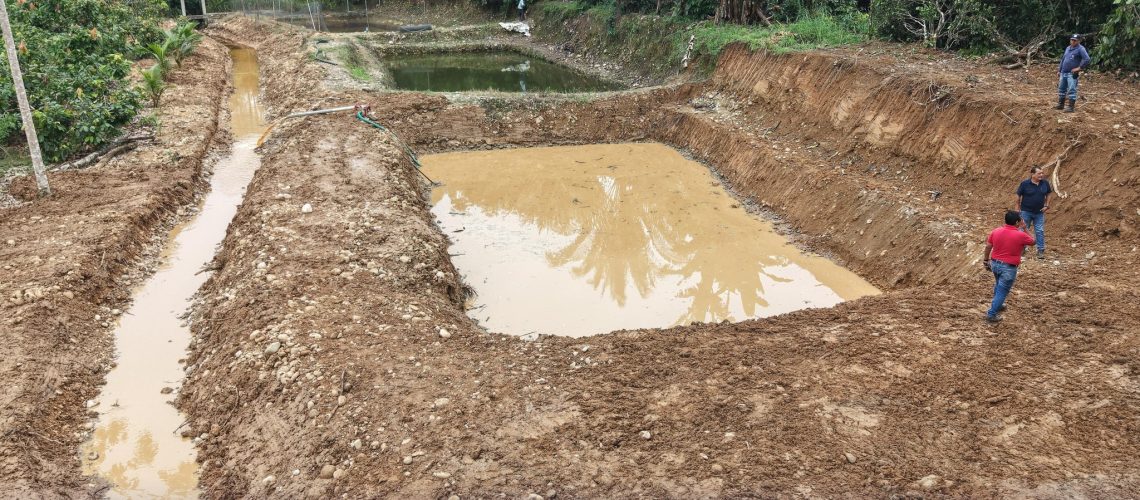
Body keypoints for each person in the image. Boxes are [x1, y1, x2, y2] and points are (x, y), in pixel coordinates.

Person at [982, 211, 1036, 323]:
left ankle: (998, 304)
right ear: (1017, 222)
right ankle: (991, 314)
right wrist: (1025, 228)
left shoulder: (996, 231)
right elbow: (1033, 241)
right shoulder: (1020, 235)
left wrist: (986, 260)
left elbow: (988, 246)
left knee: (998, 284)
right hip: (1008, 268)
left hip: (995, 264)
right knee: (1002, 291)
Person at [1016, 165, 1051, 260]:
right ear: (1032, 174)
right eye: (1039, 173)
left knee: (1039, 231)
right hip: (1025, 211)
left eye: (1042, 173)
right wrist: (1017, 208)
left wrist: (1046, 205)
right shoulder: (1024, 184)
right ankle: (1021, 248)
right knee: (1022, 230)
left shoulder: (1045, 183)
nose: (1041, 175)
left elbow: (1048, 194)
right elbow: (1018, 196)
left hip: (1039, 212)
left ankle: (1040, 250)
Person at [1056, 34, 1090, 113]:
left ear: (1079, 41)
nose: (1073, 41)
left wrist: (1079, 68)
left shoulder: (1081, 49)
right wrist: (1059, 70)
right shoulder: (1068, 48)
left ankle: (1071, 107)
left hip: (1072, 73)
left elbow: (1087, 59)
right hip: (1064, 72)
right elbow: (1063, 59)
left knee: (1072, 89)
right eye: (1072, 40)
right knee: (1061, 88)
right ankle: (1061, 104)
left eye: (1075, 40)